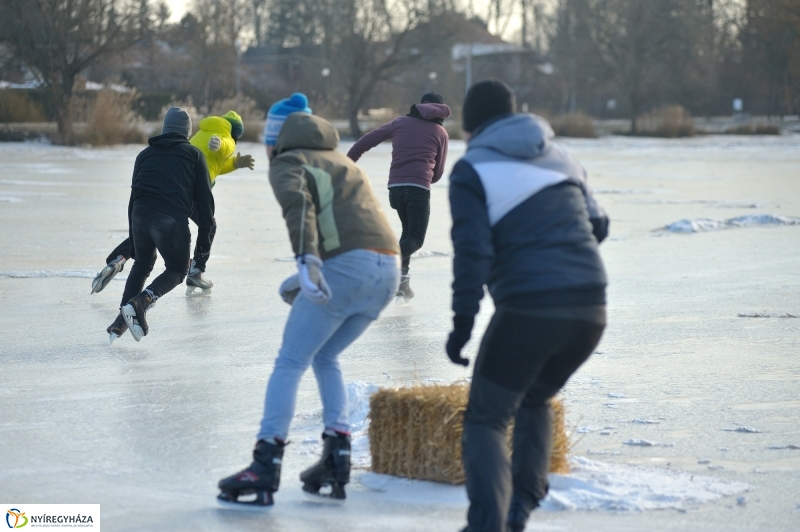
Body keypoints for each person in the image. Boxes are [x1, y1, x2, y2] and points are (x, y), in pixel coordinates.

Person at [445, 80, 609, 532]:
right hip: (592, 307)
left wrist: (462, 322)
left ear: (471, 125)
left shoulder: (472, 168)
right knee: (534, 395)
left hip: (530, 309)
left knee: (485, 419)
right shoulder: (563, 157)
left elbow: (472, 253)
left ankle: (487, 524)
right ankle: (520, 509)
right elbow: (598, 225)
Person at [217, 107, 400, 508]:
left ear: (276, 140)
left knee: (290, 361)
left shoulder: (288, 159)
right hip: (388, 267)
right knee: (326, 355)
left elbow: (298, 205)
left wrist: (306, 259)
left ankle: (264, 466)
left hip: (347, 265)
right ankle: (337, 458)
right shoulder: (340, 160)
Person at [91, 110, 254, 306]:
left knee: (149, 230)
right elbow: (223, 147)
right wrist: (220, 142)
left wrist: (235, 163)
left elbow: (218, 163)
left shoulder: (201, 132)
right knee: (208, 225)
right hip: (190, 190)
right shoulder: (225, 137)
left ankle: (120, 257)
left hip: (164, 190)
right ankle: (195, 271)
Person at [109, 107, 216, 342]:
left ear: (165, 129)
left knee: (143, 263)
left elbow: (132, 198)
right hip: (169, 220)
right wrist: (202, 250)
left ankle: (120, 322)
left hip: (139, 215)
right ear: (187, 132)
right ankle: (142, 301)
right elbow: (205, 204)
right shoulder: (194, 155)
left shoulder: (144, 155)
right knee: (178, 270)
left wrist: (133, 240)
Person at [347, 92, 450, 301]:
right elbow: (438, 173)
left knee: (407, 233)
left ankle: (402, 283)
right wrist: (424, 177)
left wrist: (347, 163)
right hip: (418, 189)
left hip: (395, 188)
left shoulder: (400, 123)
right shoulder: (441, 133)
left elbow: (365, 142)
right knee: (416, 239)